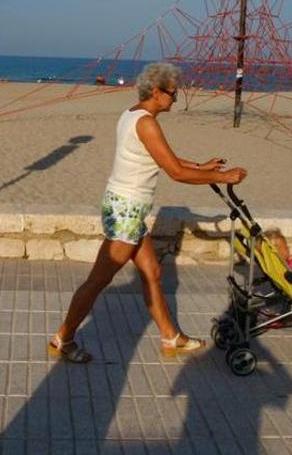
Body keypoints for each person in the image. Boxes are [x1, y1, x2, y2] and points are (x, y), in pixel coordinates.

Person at [49, 62, 247, 363]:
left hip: (127, 208)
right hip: (126, 211)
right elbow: (175, 172)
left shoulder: (133, 115)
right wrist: (223, 177)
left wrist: (203, 166)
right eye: (172, 93)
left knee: (152, 273)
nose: (175, 99)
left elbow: (166, 158)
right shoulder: (147, 123)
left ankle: (171, 337)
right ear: (156, 92)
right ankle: (63, 339)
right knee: (97, 281)